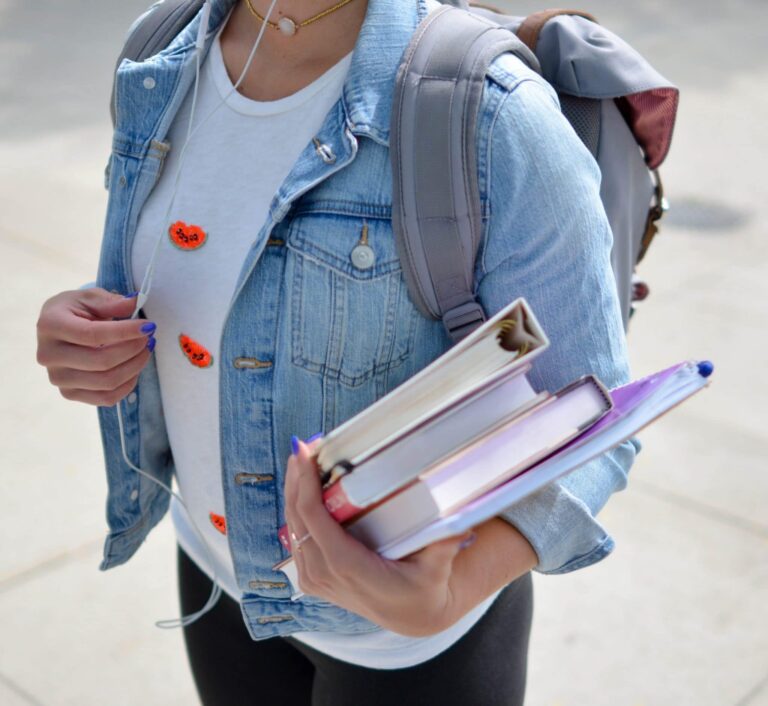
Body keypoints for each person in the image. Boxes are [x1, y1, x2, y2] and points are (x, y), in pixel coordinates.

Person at [35, 0, 637, 703]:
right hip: (215, 572)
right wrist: (86, 326)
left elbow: (592, 416)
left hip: (409, 646)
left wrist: (449, 593)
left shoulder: (493, 114)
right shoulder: (159, 51)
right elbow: (197, 269)